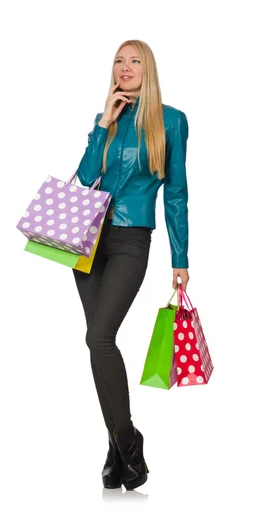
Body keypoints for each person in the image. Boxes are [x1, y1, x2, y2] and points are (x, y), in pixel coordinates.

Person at [74, 39, 189, 491]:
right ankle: (116, 446)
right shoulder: (106, 120)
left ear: (149, 69)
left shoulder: (172, 121)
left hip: (129, 237)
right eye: (118, 61)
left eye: (134, 60)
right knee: (98, 344)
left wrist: (180, 256)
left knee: (99, 336)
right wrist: (103, 125)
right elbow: (84, 180)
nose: (125, 67)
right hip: (86, 240)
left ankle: (127, 441)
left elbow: (176, 192)